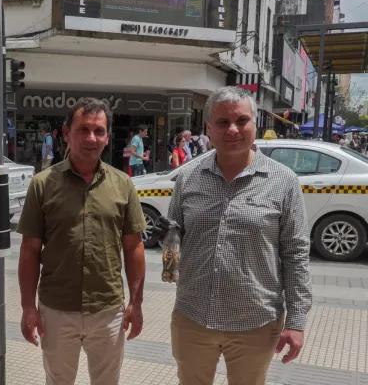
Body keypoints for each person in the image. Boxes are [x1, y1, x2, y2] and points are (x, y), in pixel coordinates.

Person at [158, 86, 312, 385]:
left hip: (255, 322)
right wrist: (168, 250)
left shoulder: (283, 181)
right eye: (222, 122)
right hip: (193, 316)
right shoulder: (188, 178)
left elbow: (295, 255)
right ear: (209, 128)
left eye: (241, 121)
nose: (232, 130)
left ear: (255, 124)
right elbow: (174, 239)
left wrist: (296, 321)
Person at [17, 97, 147, 385]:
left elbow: (134, 247)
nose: (91, 138)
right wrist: (28, 307)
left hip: (108, 310)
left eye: (99, 131)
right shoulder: (42, 184)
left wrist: (136, 304)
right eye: (83, 129)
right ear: (66, 134)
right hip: (56, 310)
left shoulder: (122, 184)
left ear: (107, 136)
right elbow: (29, 250)